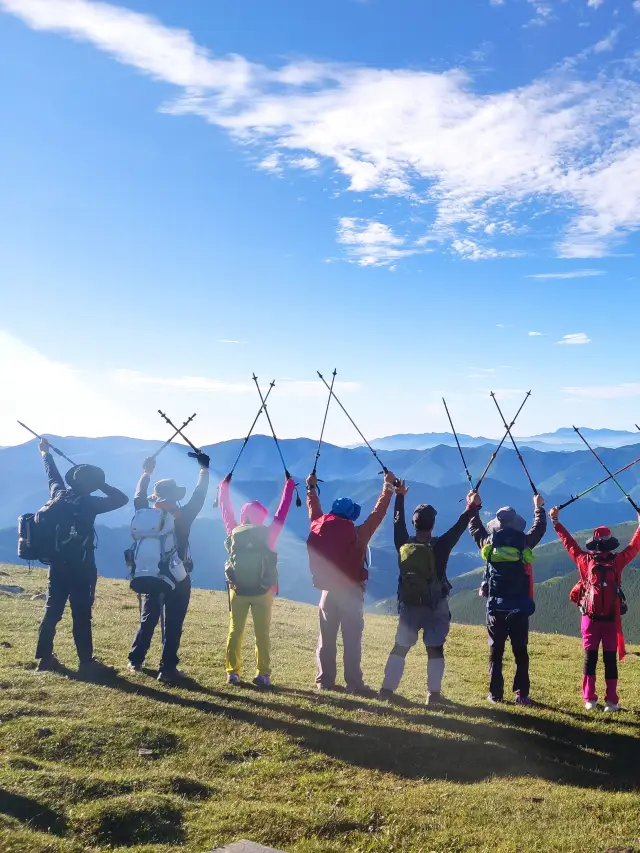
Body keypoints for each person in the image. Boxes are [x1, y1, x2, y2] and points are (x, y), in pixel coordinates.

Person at [379, 483, 481, 706]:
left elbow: (397, 522)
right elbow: (460, 525)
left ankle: (386, 690)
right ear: (433, 525)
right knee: (435, 649)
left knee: (401, 647)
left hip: (408, 604)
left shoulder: (402, 543)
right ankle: (433, 695)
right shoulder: (441, 546)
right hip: (436, 605)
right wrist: (472, 506)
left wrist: (400, 497)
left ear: (414, 525)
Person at [35, 438, 129, 675]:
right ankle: (86, 663)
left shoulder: (58, 494)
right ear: (91, 485)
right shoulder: (90, 503)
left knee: (52, 610)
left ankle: (44, 660)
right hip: (82, 567)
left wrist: (45, 454)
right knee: (81, 614)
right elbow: (122, 499)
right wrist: (102, 484)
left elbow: (53, 477)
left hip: (56, 565)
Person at [306, 468, 397, 696]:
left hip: (327, 591)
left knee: (326, 638)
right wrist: (388, 488)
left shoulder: (318, 526)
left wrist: (311, 488)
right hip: (351, 592)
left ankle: (324, 681)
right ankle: (354, 684)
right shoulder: (359, 533)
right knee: (352, 640)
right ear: (350, 516)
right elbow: (378, 514)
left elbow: (314, 509)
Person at [127, 452, 210, 683]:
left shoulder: (145, 513)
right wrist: (204, 469)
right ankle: (167, 668)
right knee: (174, 623)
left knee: (148, 618)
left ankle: (135, 660)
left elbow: (138, 495)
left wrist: (146, 472)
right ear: (175, 496)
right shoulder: (182, 516)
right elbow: (199, 495)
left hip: (151, 572)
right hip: (178, 575)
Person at [549, 506, 640, 712]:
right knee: (610, 660)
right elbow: (634, 547)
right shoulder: (617, 561)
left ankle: (589, 699)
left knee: (590, 659)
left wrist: (556, 522)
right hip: (611, 619)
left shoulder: (585, 561)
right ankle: (612, 701)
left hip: (589, 619)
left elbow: (569, 543)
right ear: (610, 544)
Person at [218, 473, 296, 688]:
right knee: (262, 633)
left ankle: (232, 673)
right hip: (263, 590)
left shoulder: (234, 531)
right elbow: (282, 513)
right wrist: (289, 486)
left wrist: (223, 487)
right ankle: (263, 674)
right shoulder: (269, 533)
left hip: (238, 588)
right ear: (262, 516)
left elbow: (225, 509)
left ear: (244, 515)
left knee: (235, 630)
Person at [469, 493, 547, 705]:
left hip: (496, 607)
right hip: (519, 607)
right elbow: (539, 529)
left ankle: (495, 695)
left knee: (496, 652)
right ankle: (521, 695)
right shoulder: (524, 543)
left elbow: (474, 528)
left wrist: (473, 506)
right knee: (520, 652)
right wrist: (538, 507)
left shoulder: (489, 543)